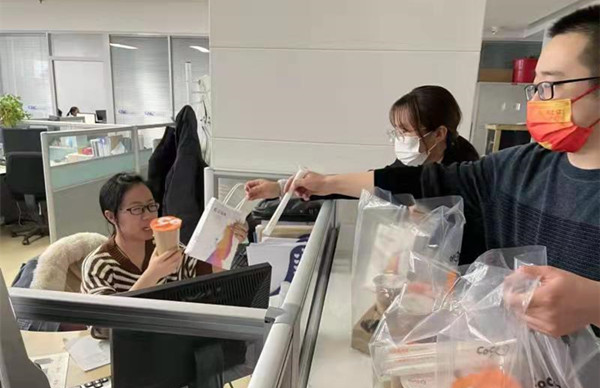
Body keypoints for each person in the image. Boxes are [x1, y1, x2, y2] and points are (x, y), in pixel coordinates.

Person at [288, 6, 600, 337]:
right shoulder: (518, 168)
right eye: (534, 88)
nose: (535, 102)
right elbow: (422, 183)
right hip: (505, 359)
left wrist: (593, 302)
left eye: (550, 86)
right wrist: (326, 183)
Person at [245, 85, 479, 201]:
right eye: (397, 131)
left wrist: (327, 182)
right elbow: (368, 183)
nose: (400, 138)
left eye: (406, 131)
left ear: (439, 134)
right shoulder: (415, 159)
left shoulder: (463, 171)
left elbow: (398, 183)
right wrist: (280, 188)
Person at [81, 173, 247, 295]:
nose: (148, 216)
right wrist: (153, 274)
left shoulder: (168, 248)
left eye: (151, 206)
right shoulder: (98, 265)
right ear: (111, 216)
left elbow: (209, 280)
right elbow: (104, 324)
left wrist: (229, 240)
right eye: (136, 209)